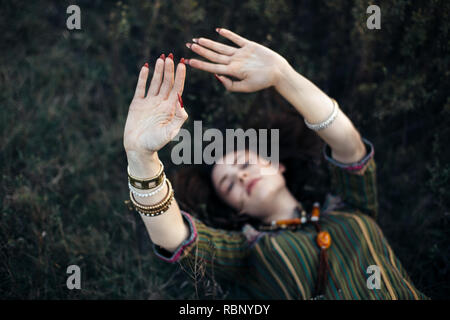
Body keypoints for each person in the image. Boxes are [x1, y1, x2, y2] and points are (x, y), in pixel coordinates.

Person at [123, 28, 427, 299]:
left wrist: (283, 75)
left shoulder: (352, 206)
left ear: (278, 165)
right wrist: (141, 158)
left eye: (245, 164)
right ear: (236, 209)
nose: (241, 178)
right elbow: (174, 237)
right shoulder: (247, 255)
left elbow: (349, 145)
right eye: (229, 185)